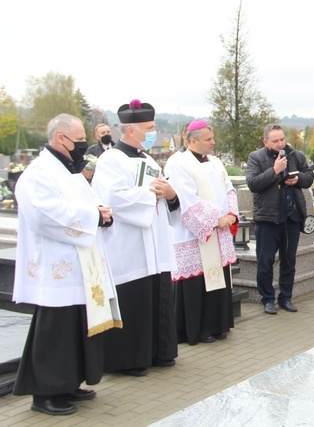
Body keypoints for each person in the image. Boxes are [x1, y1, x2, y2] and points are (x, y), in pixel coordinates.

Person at [12, 114, 120, 416]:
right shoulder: (38, 174)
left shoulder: (69, 172)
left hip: (79, 267)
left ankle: (69, 381)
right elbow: (46, 214)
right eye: (79, 139)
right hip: (54, 269)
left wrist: (100, 212)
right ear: (61, 138)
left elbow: (83, 204)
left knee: (76, 327)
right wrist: (92, 217)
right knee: (55, 332)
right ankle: (45, 393)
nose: (84, 145)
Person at [92, 100, 180, 376]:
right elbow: (113, 199)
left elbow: (164, 195)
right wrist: (149, 194)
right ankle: (128, 359)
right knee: (135, 297)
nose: (154, 132)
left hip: (155, 241)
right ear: (131, 131)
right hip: (128, 243)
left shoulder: (148, 159)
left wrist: (170, 194)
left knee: (157, 293)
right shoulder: (110, 160)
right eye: (150, 128)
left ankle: (159, 351)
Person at [164, 120, 238, 345]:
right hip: (194, 234)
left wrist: (232, 214)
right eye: (208, 139)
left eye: (212, 138)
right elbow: (186, 199)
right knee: (196, 282)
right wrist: (217, 219)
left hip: (220, 230)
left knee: (218, 278)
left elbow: (229, 188)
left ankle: (218, 324)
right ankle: (197, 329)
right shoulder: (178, 163)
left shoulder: (215, 162)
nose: (213, 143)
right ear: (192, 140)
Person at [246, 124, 314, 315]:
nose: (280, 144)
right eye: (275, 141)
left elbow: (309, 176)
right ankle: (267, 299)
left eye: (282, 139)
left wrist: (298, 179)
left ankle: (286, 297)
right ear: (265, 141)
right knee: (265, 261)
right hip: (268, 219)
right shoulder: (256, 157)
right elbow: (253, 184)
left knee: (289, 260)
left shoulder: (295, 155)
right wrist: (275, 171)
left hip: (291, 217)